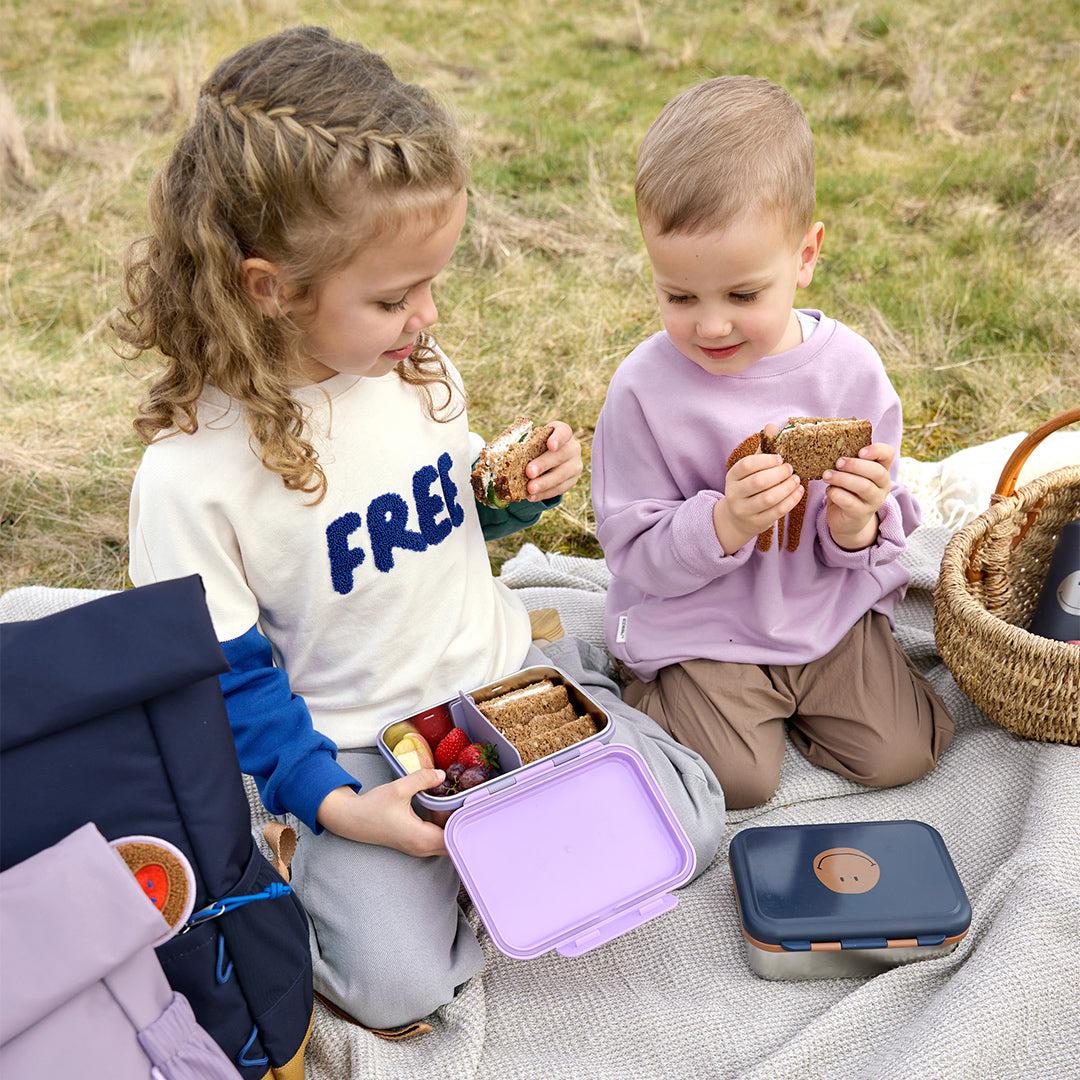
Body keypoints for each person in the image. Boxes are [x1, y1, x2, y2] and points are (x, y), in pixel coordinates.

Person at [118, 26, 726, 1034]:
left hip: (492, 687)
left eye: (433, 285)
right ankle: (306, 848)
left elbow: (445, 516)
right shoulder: (193, 478)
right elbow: (227, 681)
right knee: (395, 982)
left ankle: (568, 717)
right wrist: (337, 808)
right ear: (269, 289)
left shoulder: (412, 368)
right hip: (357, 747)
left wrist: (512, 493)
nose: (427, 317)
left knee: (692, 834)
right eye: (396, 296)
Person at [591, 75, 954, 812]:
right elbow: (631, 548)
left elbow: (886, 525)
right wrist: (721, 524)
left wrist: (856, 527)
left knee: (902, 753)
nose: (711, 326)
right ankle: (651, 690)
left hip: (824, 612)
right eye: (679, 297)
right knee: (738, 781)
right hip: (704, 625)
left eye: (743, 296)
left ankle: (798, 704)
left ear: (806, 255)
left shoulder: (850, 372)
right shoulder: (644, 391)